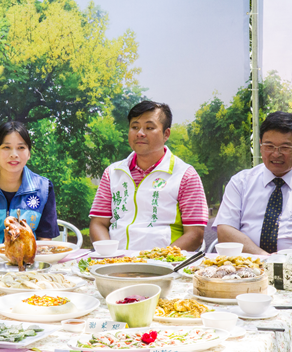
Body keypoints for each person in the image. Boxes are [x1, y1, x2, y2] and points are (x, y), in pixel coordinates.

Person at [89, 101, 208, 251]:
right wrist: (109, 255)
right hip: (116, 263)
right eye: (135, 127)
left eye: (149, 128)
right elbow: (98, 223)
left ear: (166, 134)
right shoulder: (112, 173)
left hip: (165, 267)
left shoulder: (185, 175)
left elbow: (195, 234)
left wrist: (158, 261)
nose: (140, 133)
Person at [214, 112, 292, 256]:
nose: (276, 154)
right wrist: (267, 259)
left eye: (285, 147)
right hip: (249, 267)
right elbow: (225, 231)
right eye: (269, 146)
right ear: (260, 145)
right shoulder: (241, 182)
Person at [0, 121, 60, 247]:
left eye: (21, 148)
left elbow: (44, 242)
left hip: (31, 263)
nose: (14, 154)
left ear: (29, 153)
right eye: (6, 147)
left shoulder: (44, 188)